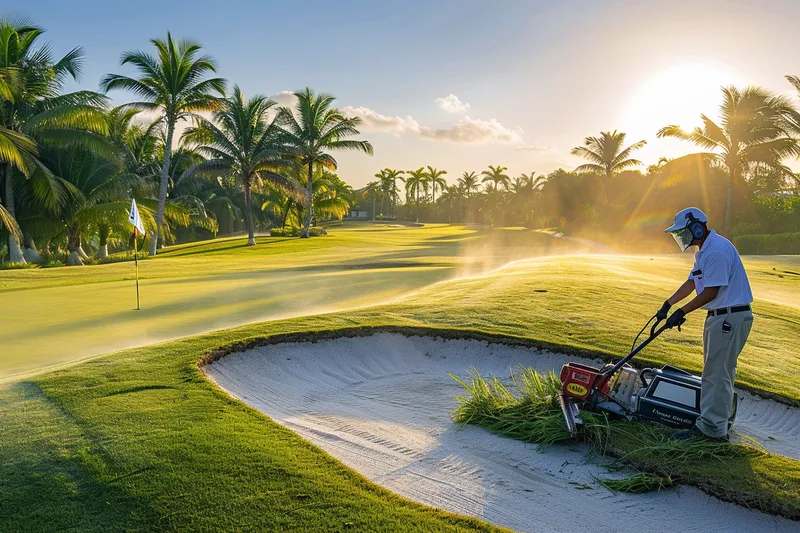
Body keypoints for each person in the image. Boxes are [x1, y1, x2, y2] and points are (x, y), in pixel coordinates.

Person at [657, 207, 754, 442]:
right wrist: (667, 304)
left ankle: (711, 429)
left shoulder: (717, 250)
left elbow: (711, 291)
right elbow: (692, 282)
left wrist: (682, 311)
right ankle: (718, 422)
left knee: (716, 373)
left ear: (696, 227)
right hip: (721, 317)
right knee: (717, 371)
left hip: (728, 317)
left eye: (682, 232)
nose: (680, 238)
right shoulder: (705, 251)